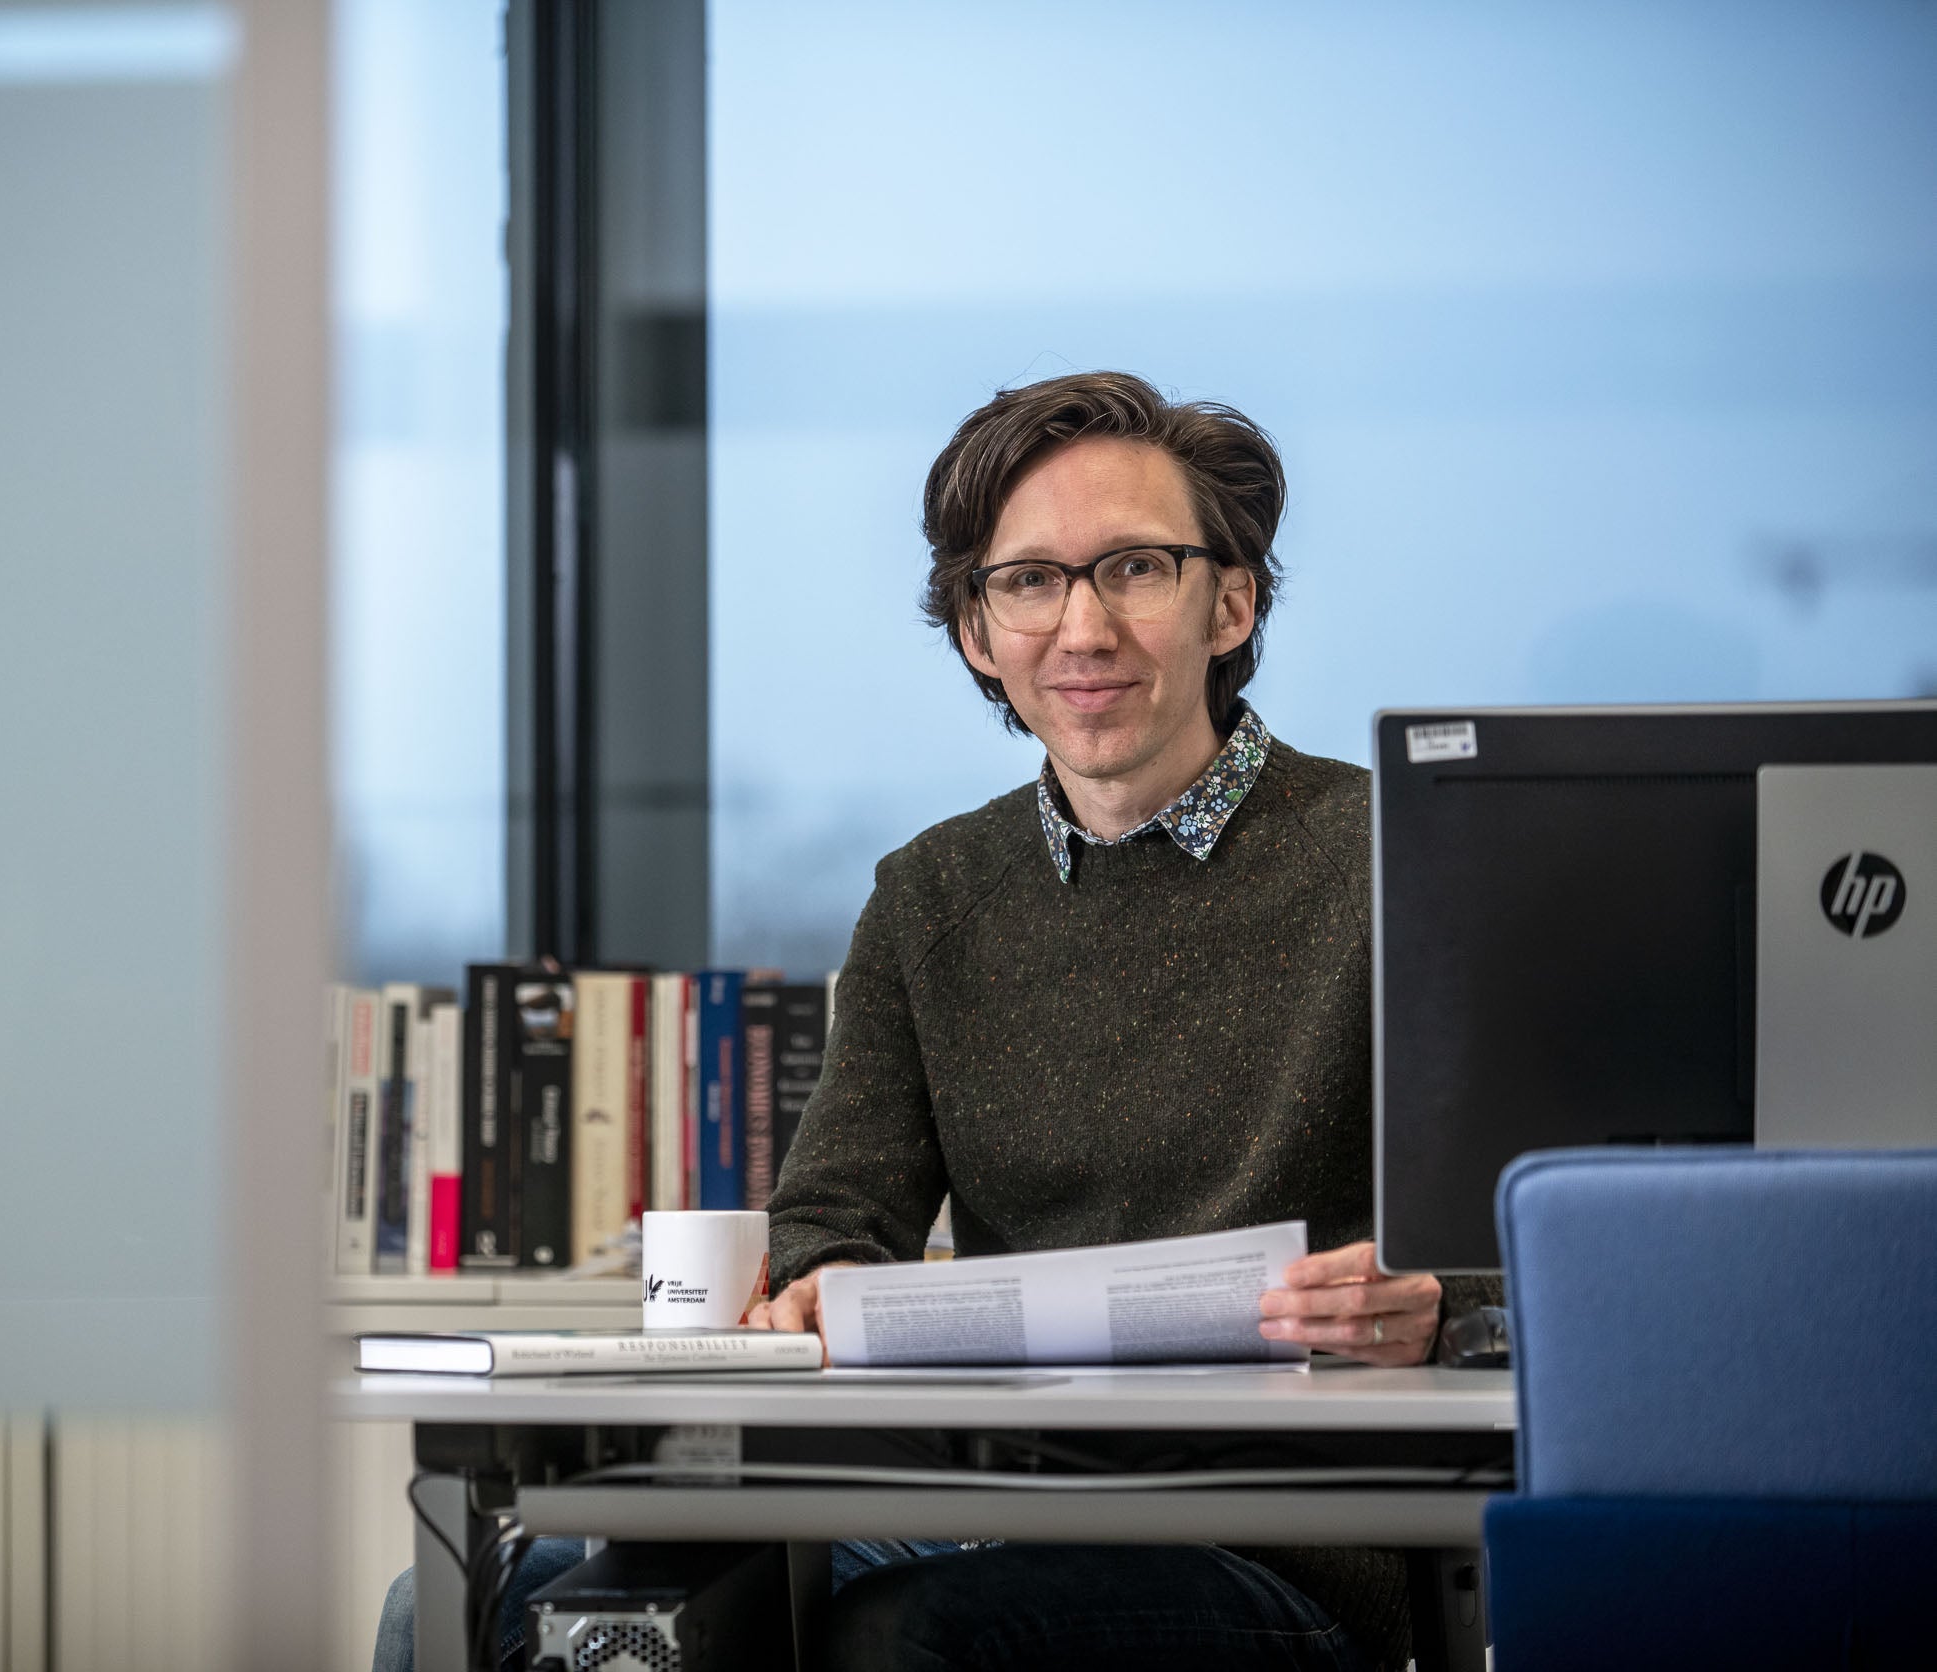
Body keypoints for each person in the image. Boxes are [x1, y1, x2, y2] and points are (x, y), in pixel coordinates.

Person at [371, 370, 1494, 1671]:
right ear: (976, 632)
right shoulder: (932, 898)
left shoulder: (1398, 859)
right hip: (977, 1506)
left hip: (1289, 1541)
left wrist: (1442, 1302)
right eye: (1028, 582)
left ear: (1230, 602)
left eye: (1136, 567)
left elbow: (1557, 1240)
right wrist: (813, 1290)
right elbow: (829, 1229)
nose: (1082, 628)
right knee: (457, 1608)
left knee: (898, 1644)